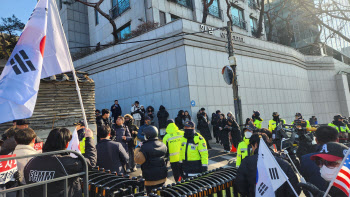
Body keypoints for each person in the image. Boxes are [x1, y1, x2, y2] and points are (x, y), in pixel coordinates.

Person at [24, 127, 97, 197]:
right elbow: (90, 162)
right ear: (66, 144)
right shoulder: (64, 162)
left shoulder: (32, 161)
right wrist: (89, 138)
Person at [235, 133, 300, 197]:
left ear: (255, 145)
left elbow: (240, 185)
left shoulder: (247, 162)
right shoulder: (282, 162)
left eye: (252, 146)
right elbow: (295, 188)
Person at [300, 126, 338, 192]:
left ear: (316, 140)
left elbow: (306, 184)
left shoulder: (305, 159)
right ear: (337, 140)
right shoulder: (346, 158)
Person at [134, 126, 167, 194]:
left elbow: (138, 160)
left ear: (148, 136)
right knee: (161, 193)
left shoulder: (144, 147)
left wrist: (138, 148)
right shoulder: (163, 145)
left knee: (151, 194)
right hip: (162, 176)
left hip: (150, 179)